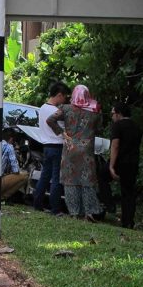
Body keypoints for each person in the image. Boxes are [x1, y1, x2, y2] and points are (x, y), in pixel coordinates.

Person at [46, 85, 103, 220]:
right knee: (87, 180)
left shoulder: (65, 109)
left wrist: (62, 133)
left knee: (70, 181)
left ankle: (74, 213)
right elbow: (99, 128)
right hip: (86, 151)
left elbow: (50, 120)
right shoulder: (95, 111)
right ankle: (89, 212)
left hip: (70, 150)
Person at [33, 81, 71, 214]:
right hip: (57, 146)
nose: (65, 100)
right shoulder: (56, 111)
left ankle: (37, 203)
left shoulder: (42, 108)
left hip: (46, 146)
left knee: (45, 176)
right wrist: (63, 133)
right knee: (56, 178)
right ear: (59, 95)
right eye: (65, 97)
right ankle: (55, 208)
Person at [109, 102, 142, 229]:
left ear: (118, 114)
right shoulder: (136, 126)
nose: (112, 116)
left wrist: (111, 165)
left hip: (120, 162)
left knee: (101, 175)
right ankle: (128, 220)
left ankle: (109, 204)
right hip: (133, 162)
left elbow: (115, 145)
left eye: (112, 113)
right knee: (129, 192)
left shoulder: (118, 126)